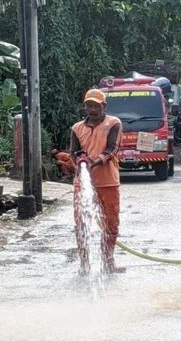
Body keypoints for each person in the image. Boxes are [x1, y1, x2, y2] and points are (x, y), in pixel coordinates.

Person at [70, 89, 124, 274]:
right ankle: (84, 263)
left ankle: (108, 261)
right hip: (83, 183)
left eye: (96, 106)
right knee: (81, 223)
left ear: (104, 106)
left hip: (108, 182)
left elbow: (112, 149)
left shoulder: (113, 123)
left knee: (111, 223)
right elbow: (73, 153)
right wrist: (80, 160)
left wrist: (96, 161)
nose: (92, 109)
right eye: (89, 105)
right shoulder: (77, 128)